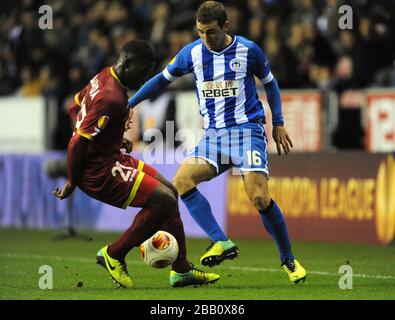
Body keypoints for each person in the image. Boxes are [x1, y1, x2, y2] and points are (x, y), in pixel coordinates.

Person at [128, 2, 307, 284]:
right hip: (214, 136)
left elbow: (270, 83)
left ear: (225, 26)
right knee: (182, 182)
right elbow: (161, 81)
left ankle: (289, 260)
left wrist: (279, 122)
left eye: (210, 32)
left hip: (247, 131)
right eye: (200, 32)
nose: (205, 38)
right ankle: (220, 241)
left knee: (259, 197)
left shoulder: (248, 50)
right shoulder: (192, 53)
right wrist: (130, 102)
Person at [52, 40, 220, 288]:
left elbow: (74, 107)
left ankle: (181, 269)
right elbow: (77, 143)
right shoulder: (111, 98)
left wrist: (111, 137)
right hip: (99, 171)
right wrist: (72, 180)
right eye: (142, 72)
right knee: (163, 200)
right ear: (128, 63)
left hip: (112, 157)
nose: (144, 80)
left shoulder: (103, 77)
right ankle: (114, 254)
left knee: (171, 192)